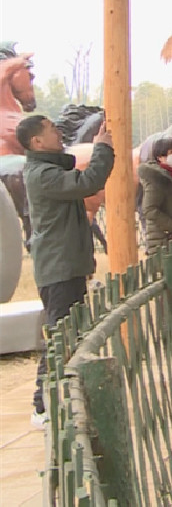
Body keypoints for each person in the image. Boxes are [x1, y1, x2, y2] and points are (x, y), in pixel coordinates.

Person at [18, 114, 114, 428]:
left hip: (65, 266)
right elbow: (88, 182)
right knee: (60, 336)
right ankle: (42, 406)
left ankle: (63, 399)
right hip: (57, 269)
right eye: (52, 130)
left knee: (70, 334)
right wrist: (102, 149)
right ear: (37, 142)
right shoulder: (42, 174)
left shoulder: (49, 169)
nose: (58, 134)